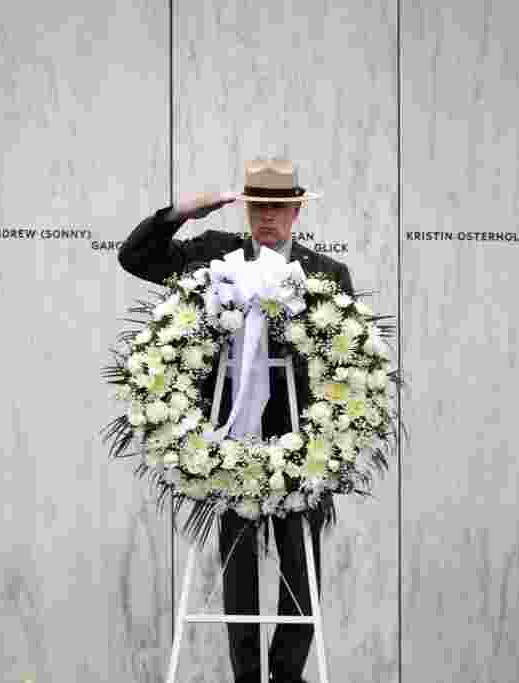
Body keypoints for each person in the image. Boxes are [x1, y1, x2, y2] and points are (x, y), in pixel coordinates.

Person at [118, 157, 354, 683]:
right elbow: (135, 258)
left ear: (296, 212)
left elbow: (342, 366)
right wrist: (184, 212)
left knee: (301, 569)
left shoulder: (326, 274)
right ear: (246, 209)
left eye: (277, 207)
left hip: (303, 443)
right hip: (229, 442)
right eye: (258, 207)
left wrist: (327, 439)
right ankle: (246, 677)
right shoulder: (215, 255)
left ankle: (287, 676)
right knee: (238, 571)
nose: (266, 217)